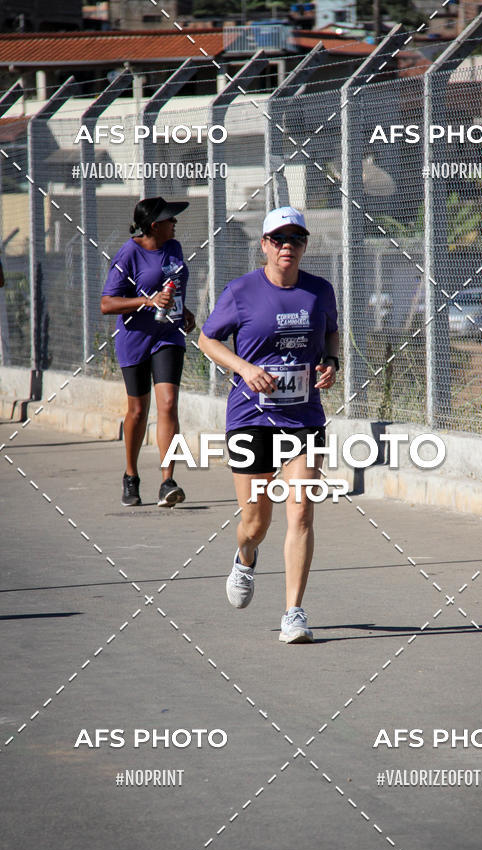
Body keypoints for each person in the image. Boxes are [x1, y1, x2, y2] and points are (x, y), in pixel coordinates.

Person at [198, 206, 339, 643]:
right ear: (264, 245)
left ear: (304, 246)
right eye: (278, 239)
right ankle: (245, 555)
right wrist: (244, 368)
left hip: (303, 417)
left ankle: (294, 613)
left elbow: (331, 333)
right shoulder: (241, 291)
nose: (287, 247)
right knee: (256, 522)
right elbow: (207, 339)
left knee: (300, 510)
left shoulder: (319, 291)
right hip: (251, 418)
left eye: (295, 240)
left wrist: (332, 361)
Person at [101, 196, 196, 507]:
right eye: (170, 219)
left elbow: (173, 288)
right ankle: (131, 475)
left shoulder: (175, 248)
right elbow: (107, 303)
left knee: (168, 404)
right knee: (138, 411)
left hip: (168, 335)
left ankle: (167, 481)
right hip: (135, 338)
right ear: (154, 226)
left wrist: (185, 311)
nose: (175, 223)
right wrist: (147, 301)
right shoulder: (128, 254)